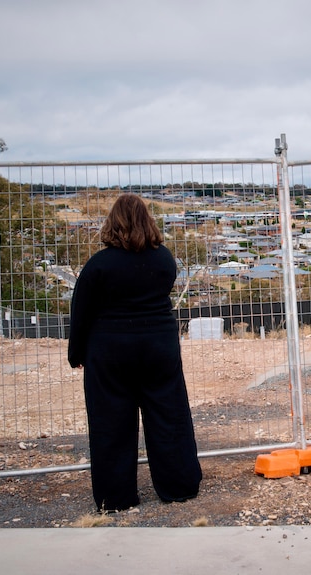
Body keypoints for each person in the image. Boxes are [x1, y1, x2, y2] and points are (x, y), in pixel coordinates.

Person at [68, 193, 202, 512]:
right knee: (169, 415)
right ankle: (179, 486)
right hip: (159, 346)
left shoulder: (99, 264)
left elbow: (81, 311)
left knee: (111, 422)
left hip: (110, 349)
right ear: (147, 220)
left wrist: (77, 354)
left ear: (112, 222)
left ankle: (115, 497)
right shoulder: (164, 259)